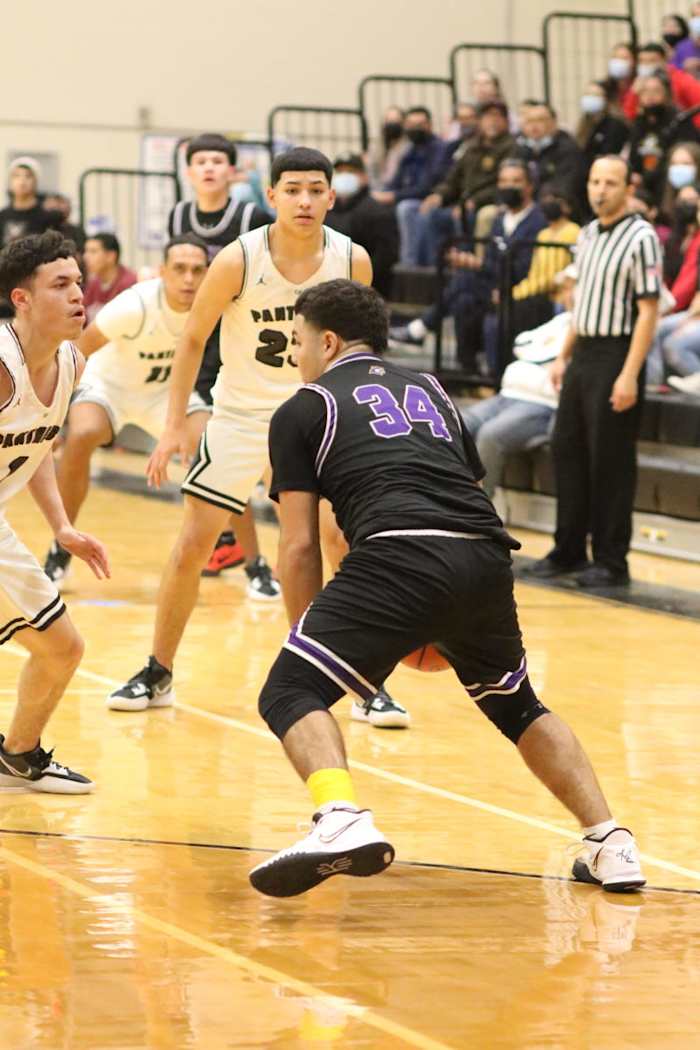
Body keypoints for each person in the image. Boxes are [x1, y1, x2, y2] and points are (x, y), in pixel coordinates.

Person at [247, 277, 645, 898]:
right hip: (485, 553)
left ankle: (339, 818)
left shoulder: (304, 407)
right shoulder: (433, 390)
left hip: (399, 551)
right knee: (518, 705)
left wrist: (311, 644)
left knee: (291, 690)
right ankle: (610, 841)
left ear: (326, 342)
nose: (296, 357)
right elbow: (461, 487)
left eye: (297, 343)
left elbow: (298, 544)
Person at [108, 148, 410, 727]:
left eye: (314, 189)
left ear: (330, 196)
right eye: (292, 189)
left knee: (335, 544)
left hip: (321, 416)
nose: (303, 199)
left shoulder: (353, 259)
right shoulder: (238, 259)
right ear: (270, 196)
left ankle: (358, 681)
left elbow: (367, 348)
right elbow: (193, 338)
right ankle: (158, 670)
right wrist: (174, 424)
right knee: (193, 544)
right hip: (243, 416)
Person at [0, 230, 110, 791]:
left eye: (78, 282)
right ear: (22, 299)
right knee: (59, 645)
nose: (77, 295)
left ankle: (19, 755)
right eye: (60, 284)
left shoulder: (70, 360)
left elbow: (36, 444)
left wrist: (62, 525)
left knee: (61, 648)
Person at [43, 235, 212, 588]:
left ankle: (249, 557)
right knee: (84, 434)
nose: (188, 279)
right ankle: (61, 547)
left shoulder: (212, 303)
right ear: (163, 271)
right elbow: (78, 351)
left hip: (165, 393)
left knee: (218, 447)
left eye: (198, 271)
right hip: (110, 387)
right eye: (179, 269)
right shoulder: (133, 305)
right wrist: (52, 421)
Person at [528, 156, 662, 587]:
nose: (601, 190)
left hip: (617, 353)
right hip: (583, 350)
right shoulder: (586, 235)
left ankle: (611, 559)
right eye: (595, 181)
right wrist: (563, 355)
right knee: (567, 449)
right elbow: (580, 303)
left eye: (610, 183)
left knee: (611, 461)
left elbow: (648, 311)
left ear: (627, 187)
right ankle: (568, 549)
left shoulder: (642, 237)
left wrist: (629, 374)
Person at [169, 132, 272, 582]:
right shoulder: (179, 214)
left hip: (242, 337)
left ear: (231, 171)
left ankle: (247, 551)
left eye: (218, 160)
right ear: (190, 171)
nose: (209, 167)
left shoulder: (250, 215)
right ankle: (229, 542)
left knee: (228, 451)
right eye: (201, 161)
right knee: (205, 448)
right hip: (198, 334)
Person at [462, 307, 569, 496]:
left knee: (490, 435)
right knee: (457, 424)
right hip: (507, 394)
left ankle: (476, 514)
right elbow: (522, 343)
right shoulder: (559, 321)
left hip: (542, 403)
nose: (569, 295)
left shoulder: (584, 327)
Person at [419, 99, 515, 264]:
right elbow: (452, 179)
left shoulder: (511, 147)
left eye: (497, 117)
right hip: (462, 203)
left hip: (486, 204)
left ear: (506, 122)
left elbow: (503, 184)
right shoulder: (471, 148)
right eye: (487, 117)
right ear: (480, 121)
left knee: (464, 216)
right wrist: (439, 195)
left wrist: (474, 201)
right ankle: (434, 267)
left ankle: (464, 269)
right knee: (432, 214)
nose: (492, 121)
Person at [372, 107, 448, 265]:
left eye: (420, 124)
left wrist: (393, 196)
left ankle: (409, 263)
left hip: (428, 199)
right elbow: (396, 182)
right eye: (412, 124)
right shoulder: (411, 150)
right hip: (407, 195)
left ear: (429, 125)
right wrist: (384, 194)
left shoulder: (439, 149)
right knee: (373, 207)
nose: (416, 129)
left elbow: (428, 186)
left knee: (405, 208)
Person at [324, 153, 398, 298]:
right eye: (340, 172)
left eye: (351, 172)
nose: (344, 176)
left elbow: (384, 257)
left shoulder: (378, 212)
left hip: (365, 291)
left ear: (364, 177)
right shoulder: (326, 210)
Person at [628, 72, 698, 205]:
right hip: (644, 188)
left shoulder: (679, 121)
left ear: (667, 94)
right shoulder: (639, 122)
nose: (650, 96)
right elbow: (634, 158)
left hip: (669, 187)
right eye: (645, 91)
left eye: (656, 91)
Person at [514, 102, 583, 216]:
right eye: (529, 121)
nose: (534, 125)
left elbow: (567, 185)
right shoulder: (519, 149)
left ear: (553, 123)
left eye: (540, 120)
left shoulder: (568, 149)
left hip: (557, 206)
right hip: (524, 206)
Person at [574, 81, 630, 214]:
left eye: (596, 95)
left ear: (605, 99)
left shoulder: (615, 125)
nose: (591, 98)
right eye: (588, 94)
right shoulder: (584, 124)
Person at [623, 41, 700, 129]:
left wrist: (690, 131)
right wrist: (634, 93)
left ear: (664, 61)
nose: (646, 65)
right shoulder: (639, 82)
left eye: (652, 60)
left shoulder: (683, 80)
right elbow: (630, 115)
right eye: (642, 61)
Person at [0, 158, 54, 250]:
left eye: (28, 176)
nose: (22, 181)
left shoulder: (48, 217)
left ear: (35, 181)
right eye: (16, 176)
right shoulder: (2, 216)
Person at [82, 234, 137, 324]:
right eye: (86, 251)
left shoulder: (129, 284)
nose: (86, 257)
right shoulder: (94, 282)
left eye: (93, 252)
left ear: (111, 256)